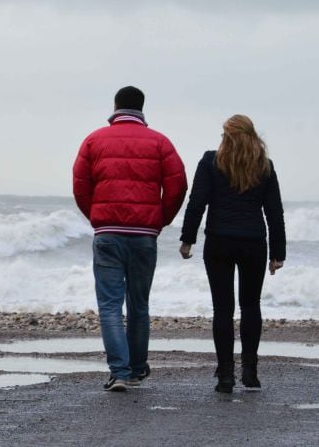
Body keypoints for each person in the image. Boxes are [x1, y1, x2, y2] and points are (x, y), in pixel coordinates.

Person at [73, 86, 188, 392]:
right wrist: (160, 219)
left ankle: (120, 372)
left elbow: (80, 186)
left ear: (116, 106)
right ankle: (136, 370)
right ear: (141, 108)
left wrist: (97, 217)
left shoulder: (94, 140)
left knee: (110, 306)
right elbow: (178, 185)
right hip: (143, 235)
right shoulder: (160, 142)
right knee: (139, 304)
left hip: (107, 233)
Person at [179, 114, 286, 393]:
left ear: (226, 136)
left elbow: (197, 203)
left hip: (219, 242)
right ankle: (250, 373)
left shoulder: (211, 162)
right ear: (252, 136)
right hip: (253, 243)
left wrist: (187, 239)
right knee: (251, 305)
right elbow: (275, 212)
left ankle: (226, 375)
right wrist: (278, 252)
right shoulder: (264, 166)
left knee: (222, 309)